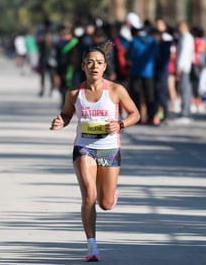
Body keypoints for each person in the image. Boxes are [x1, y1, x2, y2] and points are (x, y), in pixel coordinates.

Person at [50, 41, 140, 262]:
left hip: (109, 149)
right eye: (90, 62)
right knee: (89, 194)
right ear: (83, 66)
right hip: (84, 148)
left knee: (105, 203)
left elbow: (135, 114)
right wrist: (61, 121)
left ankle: (110, 196)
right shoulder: (74, 94)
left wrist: (120, 125)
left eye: (99, 62)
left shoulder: (117, 90)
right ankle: (92, 246)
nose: (94, 66)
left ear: (104, 67)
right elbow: (67, 114)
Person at [174, 21, 195, 124]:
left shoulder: (187, 38)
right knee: (183, 89)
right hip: (183, 67)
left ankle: (186, 111)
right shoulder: (182, 37)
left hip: (185, 67)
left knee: (185, 89)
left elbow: (184, 54)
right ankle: (184, 109)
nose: (179, 28)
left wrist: (179, 68)